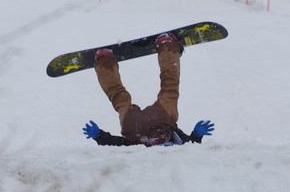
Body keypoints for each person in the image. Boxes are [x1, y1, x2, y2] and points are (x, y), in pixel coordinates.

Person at [82, 32, 214, 146]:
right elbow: (116, 144)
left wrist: (196, 135)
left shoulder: (178, 157)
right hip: (133, 128)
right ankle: (103, 60)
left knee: (170, 85)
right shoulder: (152, 160)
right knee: (118, 96)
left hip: (162, 122)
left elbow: (189, 148)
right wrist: (98, 136)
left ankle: (167, 45)